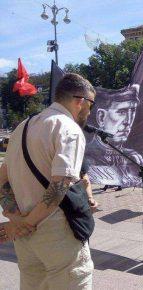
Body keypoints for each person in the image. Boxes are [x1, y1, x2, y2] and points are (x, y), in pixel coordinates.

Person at [0, 73, 95, 289]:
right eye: (91, 104)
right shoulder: (68, 128)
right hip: (57, 235)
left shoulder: (22, 127)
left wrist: (16, 217)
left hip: (25, 238)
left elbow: (2, 179)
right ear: (80, 101)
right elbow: (59, 185)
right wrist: (29, 222)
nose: (90, 112)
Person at [84, 84, 143, 190]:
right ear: (101, 117)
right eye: (122, 112)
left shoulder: (133, 157)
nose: (128, 121)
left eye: (132, 111)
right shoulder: (88, 157)